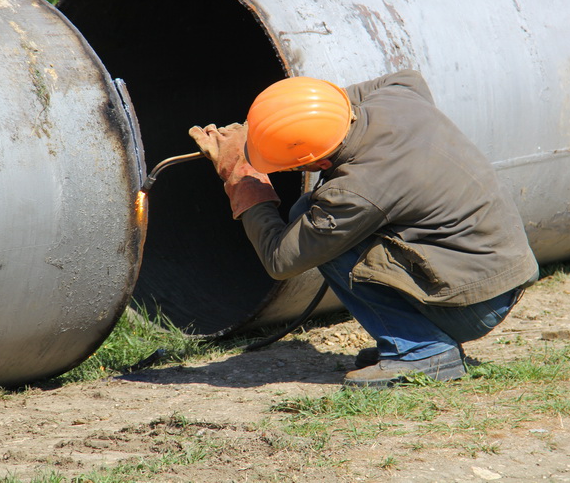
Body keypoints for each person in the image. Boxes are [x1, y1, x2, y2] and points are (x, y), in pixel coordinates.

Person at [189, 70, 538, 388]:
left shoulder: (355, 191)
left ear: (321, 162)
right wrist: (275, 124)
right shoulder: (398, 97)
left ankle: (423, 349)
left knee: (310, 229)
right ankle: (416, 335)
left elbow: (281, 260)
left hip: (473, 306)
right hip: (499, 272)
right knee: (310, 216)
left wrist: (241, 176)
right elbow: (408, 77)